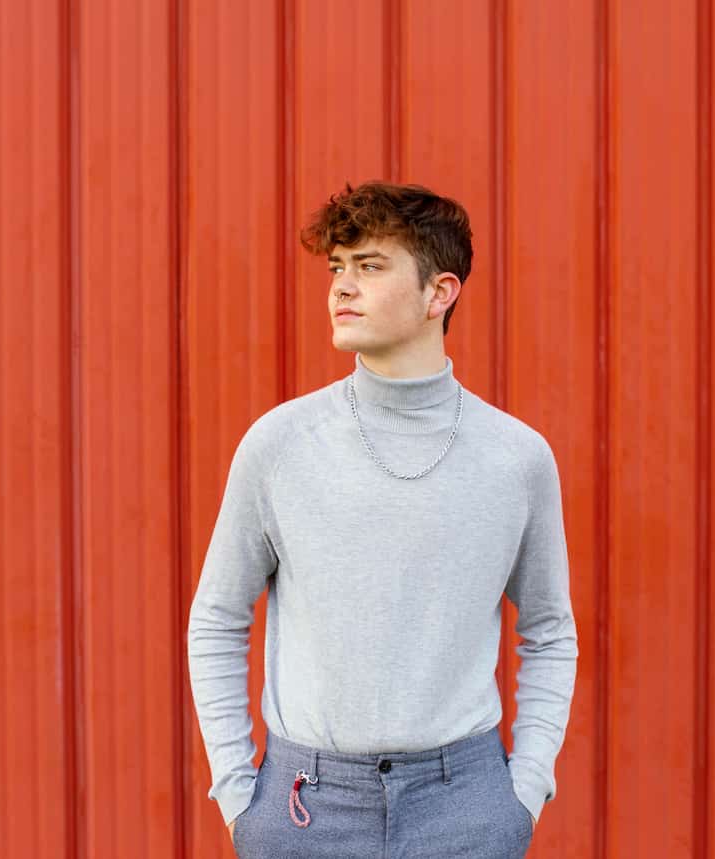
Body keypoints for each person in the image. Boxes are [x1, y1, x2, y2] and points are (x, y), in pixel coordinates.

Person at [186, 181, 578, 858]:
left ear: (439, 292)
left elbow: (549, 629)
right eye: (337, 268)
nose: (342, 286)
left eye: (370, 266)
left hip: (468, 809)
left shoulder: (516, 458)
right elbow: (216, 617)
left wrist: (524, 793)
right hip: (304, 809)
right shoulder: (280, 444)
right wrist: (236, 797)